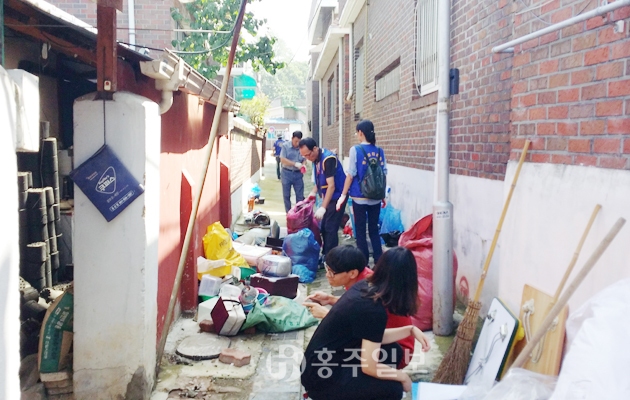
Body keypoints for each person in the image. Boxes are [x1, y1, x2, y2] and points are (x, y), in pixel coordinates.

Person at [301, 247, 430, 400]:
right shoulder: (373, 307)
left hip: (325, 361)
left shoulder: (366, 287)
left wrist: (410, 330)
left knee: (392, 352)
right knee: (393, 389)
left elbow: (373, 335)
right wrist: (402, 377)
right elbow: (369, 367)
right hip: (321, 378)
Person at [303, 245, 415, 369]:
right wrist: (330, 299)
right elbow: (353, 310)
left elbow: (358, 326)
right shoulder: (365, 281)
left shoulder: (368, 290)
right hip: (386, 338)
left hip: (396, 349)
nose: (327, 275)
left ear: (352, 273)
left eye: (331, 272)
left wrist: (327, 315)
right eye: (327, 269)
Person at [337, 119, 387, 264]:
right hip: (376, 197)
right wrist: (382, 195)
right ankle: (378, 261)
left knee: (360, 231)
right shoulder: (379, 151)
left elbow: (351, 174)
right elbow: (383, 173)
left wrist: (343, 195)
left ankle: (363, 262)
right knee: (374, 230)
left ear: (360, 133)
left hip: (359, 197)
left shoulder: (356, 150)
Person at [299, 137, 346, 256]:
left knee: (330, 228)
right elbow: (320, 180)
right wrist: (313, 192)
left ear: (315, 148)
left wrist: (323, 207)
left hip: (337, 197)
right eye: (304, 156)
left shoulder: (328, 159)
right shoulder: (316, 158)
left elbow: (331, 186)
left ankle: (332, 257)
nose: (308, 158)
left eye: (308, 155)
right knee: (323, 227)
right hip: (327, 196)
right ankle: (326, 254)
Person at [280, 131, 306, 212]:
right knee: (286, 195)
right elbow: (283, 159)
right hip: (286, 173)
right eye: (295, 141)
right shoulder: (285, 146)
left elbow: (304, 158)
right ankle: (288, 213)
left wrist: (303, 165)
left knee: (300, 196)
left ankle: (299, 213)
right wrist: (295, 164)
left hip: (298, 174)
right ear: (292, 138)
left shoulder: (302, 147)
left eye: (299, 141)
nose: (297, 143)